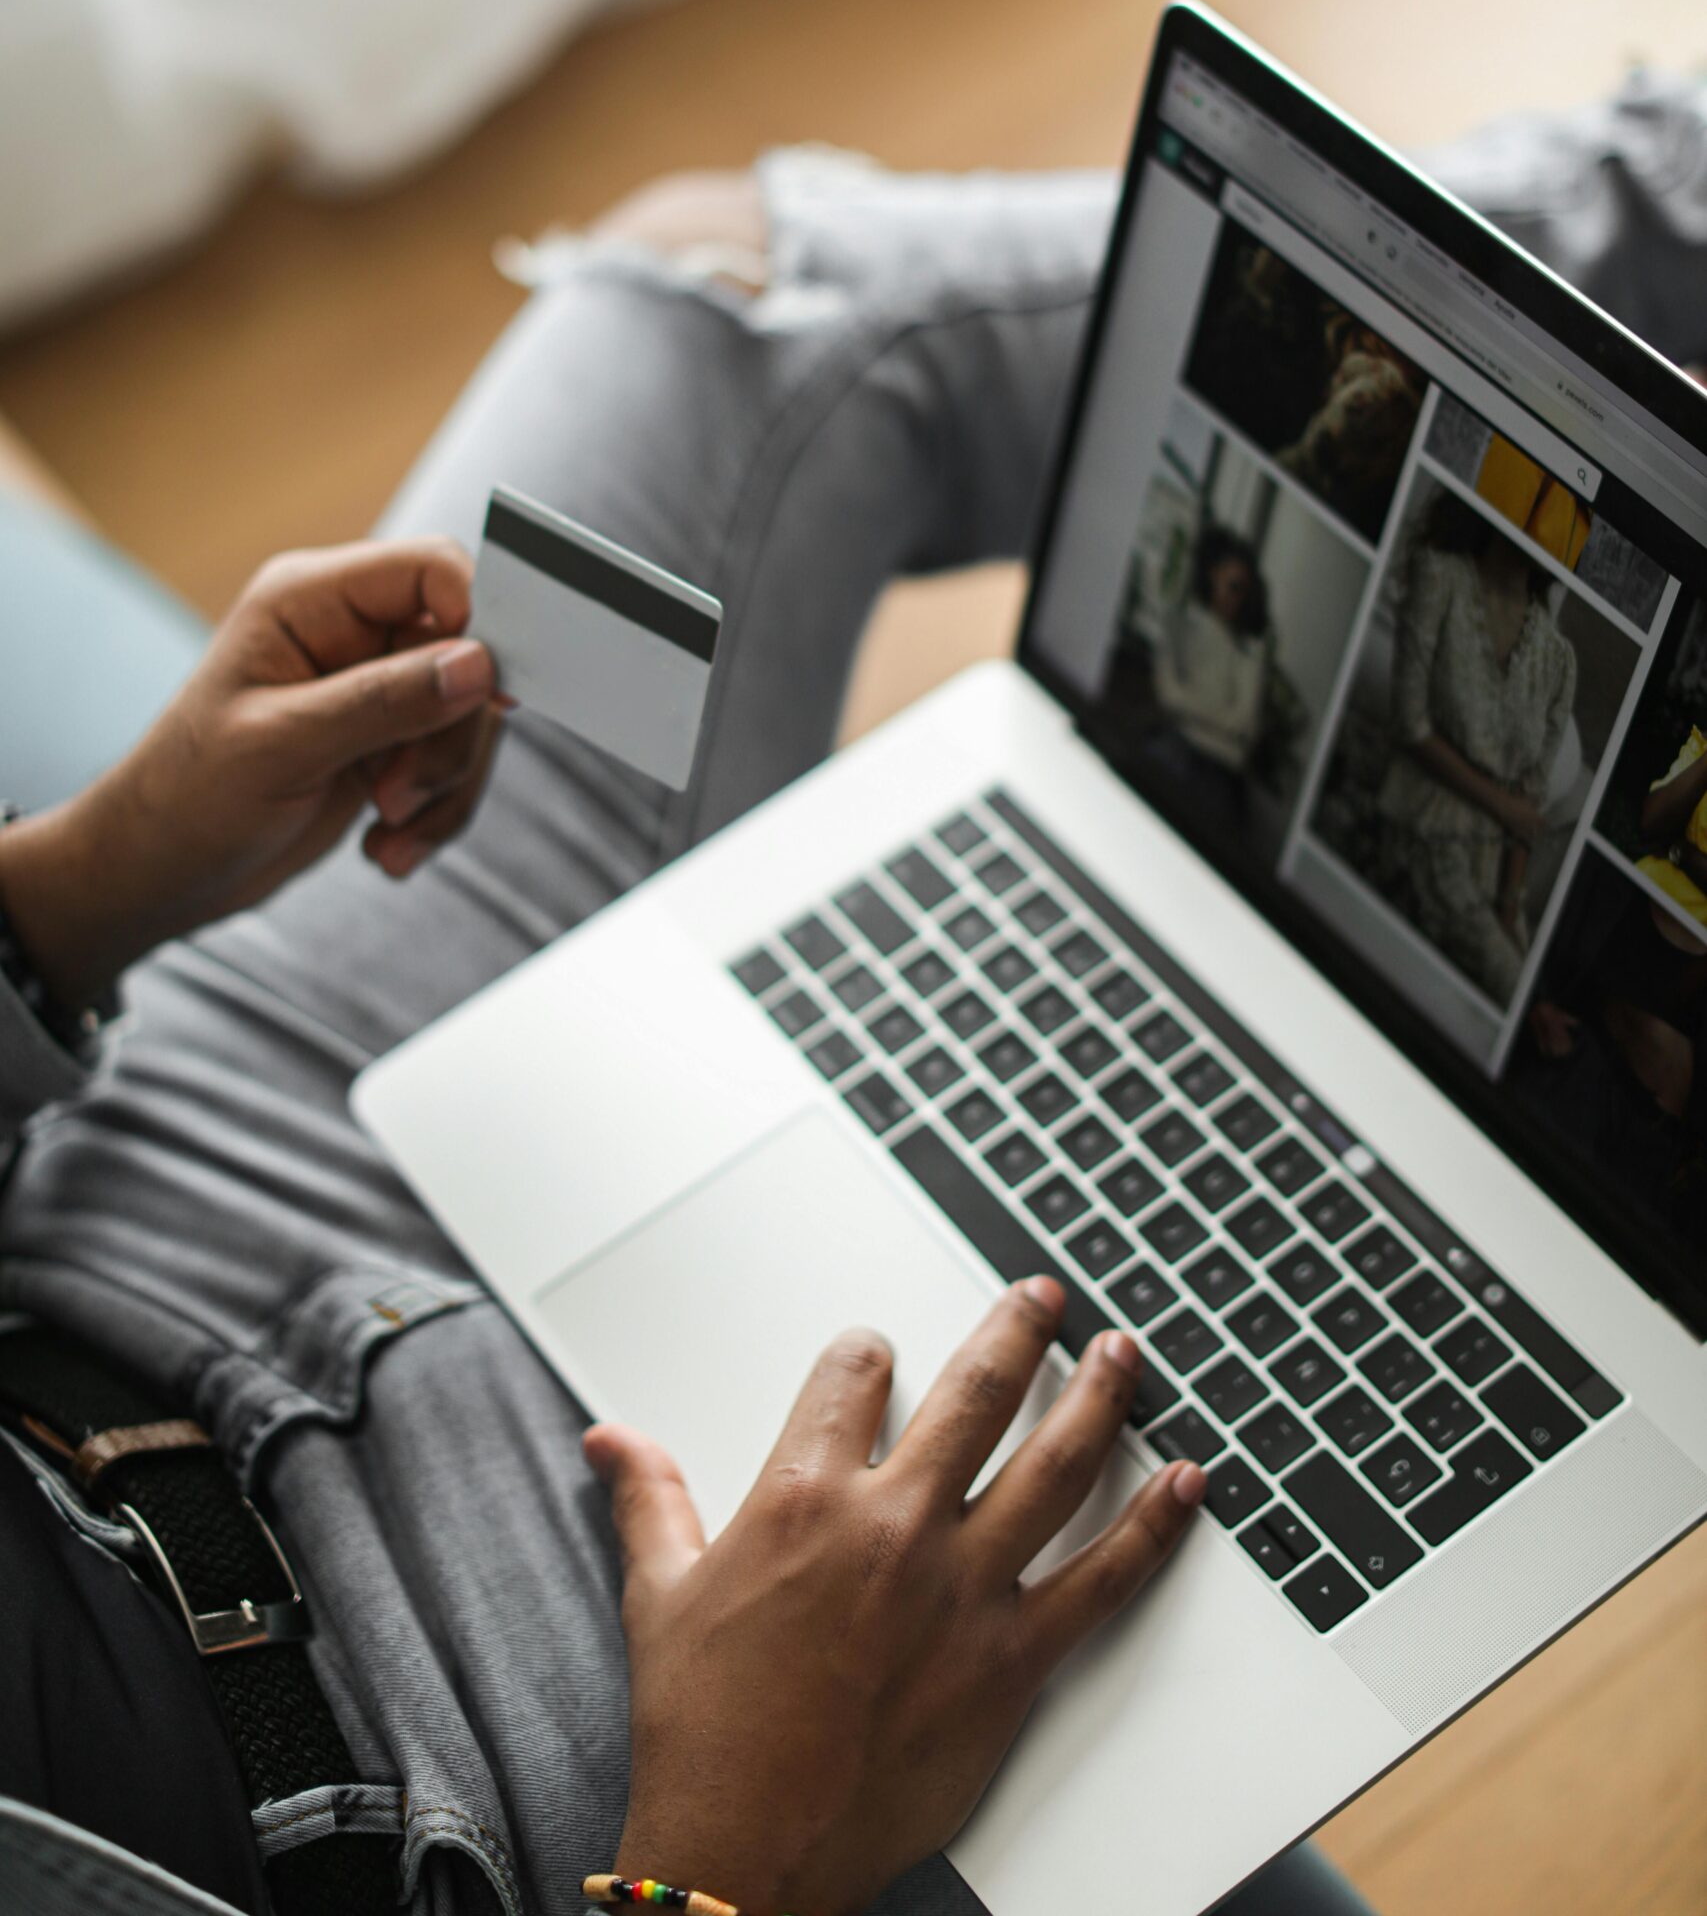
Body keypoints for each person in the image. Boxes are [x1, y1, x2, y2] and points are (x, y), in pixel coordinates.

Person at [0, 156, 1375, 1916]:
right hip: (534, 1809)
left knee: (724, 296)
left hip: (108, 1222)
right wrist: (722, 1855)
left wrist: (87, 882)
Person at [1377, 490, 1576, 1003]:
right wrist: (1505, 807)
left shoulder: (1559, 659)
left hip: (1495, 870)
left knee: (1527, 979)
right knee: (1515, 1000)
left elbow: (1530, 798)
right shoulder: (1439, 576)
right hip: (1421, 826)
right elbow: (1409, 722)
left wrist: (1510, 910)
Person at [1146, 524, 1272, 829]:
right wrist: (1217, 717)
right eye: (1229, 584)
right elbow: (1167, 695)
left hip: (1219, 769)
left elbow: (1244, 723)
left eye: (1241, 589)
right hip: (1178, 747)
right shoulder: (1183, 623)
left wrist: (1190, 708)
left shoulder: (1250, 650)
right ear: (1211, 575)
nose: (1233, 597)